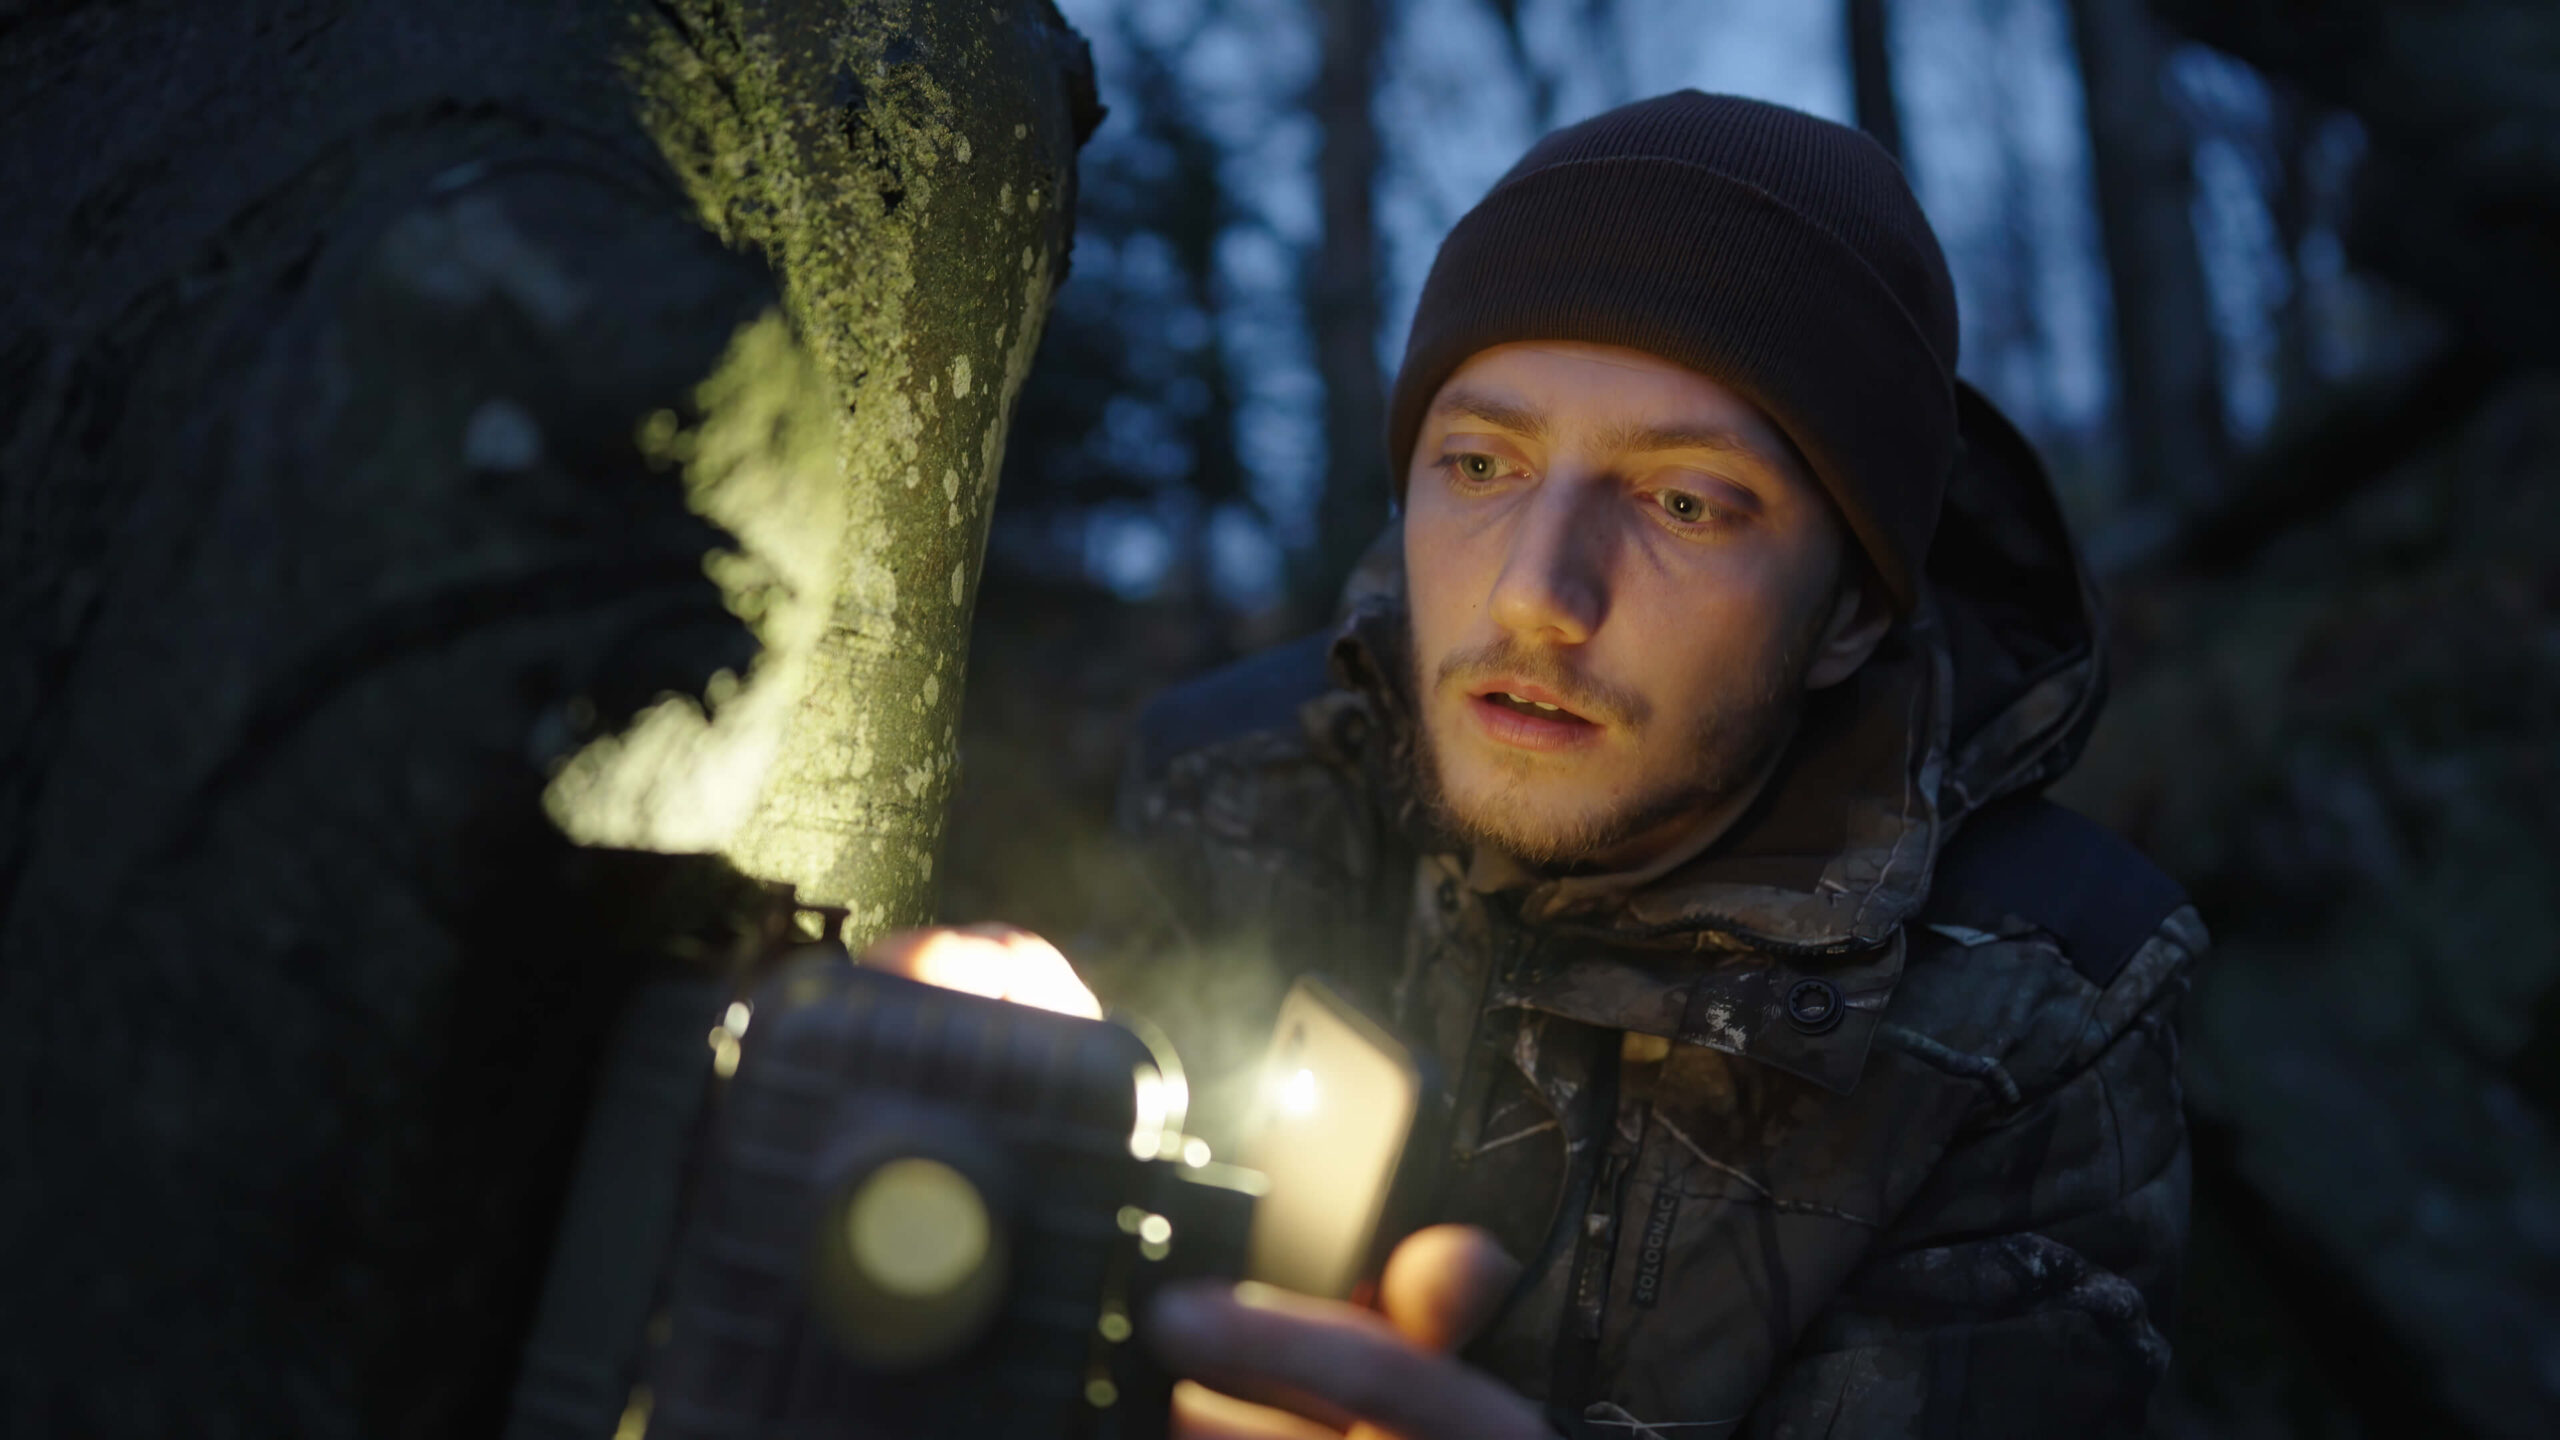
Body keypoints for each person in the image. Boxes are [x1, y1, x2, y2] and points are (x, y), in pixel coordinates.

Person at [881, 90, 2204, 1438]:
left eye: (1683, 501)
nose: (1537, 594)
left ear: (1852, 610)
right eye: (1482, 464)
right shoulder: (1239, 786)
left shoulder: (2038, 1012)